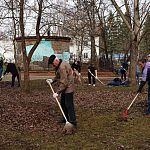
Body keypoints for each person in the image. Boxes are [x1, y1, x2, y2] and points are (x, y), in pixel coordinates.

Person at [48, 54, 77, 131]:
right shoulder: (59, 65)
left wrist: (57, 92)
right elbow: (58, 76)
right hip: (65, 88)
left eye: (53, 64)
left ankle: (73, 122)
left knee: (69, 105)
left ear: (56, 61)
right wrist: (52, 80)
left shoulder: (62, 67)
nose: (53, 66)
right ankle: (65, 118)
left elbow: (64, 82)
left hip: (68, 88)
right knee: (63, 104)